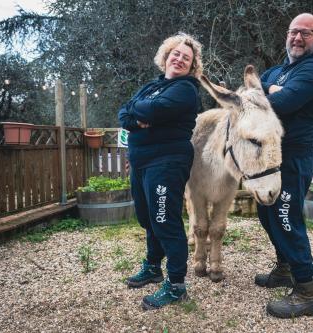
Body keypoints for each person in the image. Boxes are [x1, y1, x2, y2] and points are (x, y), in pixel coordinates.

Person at [118, 32, 203, 310]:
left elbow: (150, 110)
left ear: (192, 67)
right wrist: (138, 113)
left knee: (165, 220)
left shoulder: (186, 89)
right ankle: (153, 267)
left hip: (167, 161)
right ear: (166, 56)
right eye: (176, 54)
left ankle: (176, 285)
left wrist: (140, 111)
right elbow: (124, 114)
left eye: (186, 58)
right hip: (141, 161)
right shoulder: (151, 86)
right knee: (148, 218)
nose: (179, 59)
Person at [255, 13, 313, 318]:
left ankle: (306, 292)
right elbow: (252, 93)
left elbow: (282, 104)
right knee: (266, 213)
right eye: (293, 32)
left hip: (293, 158)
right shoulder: (277, 71)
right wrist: (272, 91)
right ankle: (284, 268)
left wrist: (273, 93)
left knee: (286, 217)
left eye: (305, 33)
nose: (297, 38)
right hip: (269, 158)